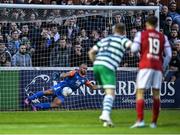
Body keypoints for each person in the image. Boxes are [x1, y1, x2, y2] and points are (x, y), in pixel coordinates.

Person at [130, 16, 172, 128]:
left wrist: (139, 53)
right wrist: (162, 66)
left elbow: (133, 49)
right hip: (158, 67)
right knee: (156, 94)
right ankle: (153, 123)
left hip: (145, 66)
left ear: (147, 23)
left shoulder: (141, 34)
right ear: (157, 24)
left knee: (140, 92)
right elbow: (169, 55)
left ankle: (140, 121)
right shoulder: (163, 37)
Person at [88, 23, 132, 127]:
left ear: (114, 30)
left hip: (97, 65)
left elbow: (91, 52)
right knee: (110, 93)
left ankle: (107, 121)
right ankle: (105, 115)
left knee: (107, 91)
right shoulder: (123, 39)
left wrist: (96, 63)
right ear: (124, 31)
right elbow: (133, 47)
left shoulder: (105, 39)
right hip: (108, 66)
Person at [24, 64, 97, 111]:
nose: (85, 70)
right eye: (84, 68)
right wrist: (62, 75)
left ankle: (36, 107)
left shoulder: (85, 80)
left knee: (57, 103)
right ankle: (29, 99)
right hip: (61, 86)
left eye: (86, 69)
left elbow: (92, 87)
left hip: (64, 93)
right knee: (48, 91)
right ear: (80, 68)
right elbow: (64, 75)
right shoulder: (75, 72)